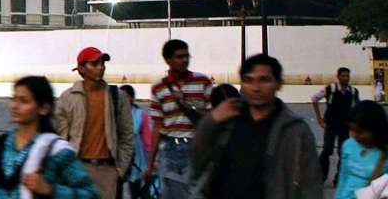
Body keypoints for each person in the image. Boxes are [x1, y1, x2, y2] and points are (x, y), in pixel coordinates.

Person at [190, 53, 321, 199]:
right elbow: (196, 162)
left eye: (264, 80)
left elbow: (311, 184)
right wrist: (211, 121)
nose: (256, 88)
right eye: (248, 80)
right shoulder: (227, 121)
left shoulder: (295, 130)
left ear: (278, 84)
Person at [0, 75, 100, 199]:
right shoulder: (1, 144)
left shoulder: (56, 151)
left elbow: (91, 195)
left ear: (44, 108)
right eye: (14, 99)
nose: (14, 106)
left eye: (24, 101)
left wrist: (49, 189)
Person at [56, 47, 134, 199]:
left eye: (103, 63)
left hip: (107, 171)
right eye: (95, 63)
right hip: (77, 169)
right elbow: (61, 139)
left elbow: (127, 136)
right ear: (81, 69)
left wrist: (119, 170)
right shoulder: (68, 98)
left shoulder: (117, 97)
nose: (101, 67)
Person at [144, 38, 211, 199]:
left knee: (195, 194)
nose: (185, 60)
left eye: (187, 56)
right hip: (169, 148)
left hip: (195, 146)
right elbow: (158, 127)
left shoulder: (202, 81)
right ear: (168, 60)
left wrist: (186, 105)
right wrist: (150, 163)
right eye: (179, 57)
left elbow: (210, 119)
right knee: (170, 194)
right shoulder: (158, 87)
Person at [315, 66, 361, 184]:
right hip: (331, 125)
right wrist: (320, 119)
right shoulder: (330, 89)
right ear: (338, 76)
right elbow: (314, 99)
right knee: (326, 150)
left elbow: (357, 107)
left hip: (345, 126)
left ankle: (339, 178)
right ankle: (321, 176)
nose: (345, 78)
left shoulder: (353, 91)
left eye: (347, 76)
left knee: (343, 152)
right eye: (343, 76)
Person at [335, 100, 388, 199]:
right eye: (351, 129)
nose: (354, 135)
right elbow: (343, 177)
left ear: (376, 129)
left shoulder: (384, 154)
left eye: (360, 132)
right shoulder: (348, 145)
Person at [118, 85, 152, 199]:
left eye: (125, 96)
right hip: (119, 159)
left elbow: (148, 140)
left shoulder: (140, 115)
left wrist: (152, 162)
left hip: (136, 159)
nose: (122, 99)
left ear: (132, 98)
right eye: (120, 96)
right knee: (117, 191)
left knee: (136, 192)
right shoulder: (113, 115)